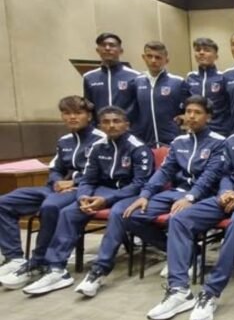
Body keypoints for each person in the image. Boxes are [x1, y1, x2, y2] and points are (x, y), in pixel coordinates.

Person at [155, 89, 234, 320]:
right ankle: (179, 290)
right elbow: (225, 174)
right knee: (180, 218)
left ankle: (211, 292)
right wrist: (225, 192)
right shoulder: (232, 140)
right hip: (228, 194)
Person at [8, 106, 152, 294]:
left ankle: (99, 270)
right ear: (100, 126)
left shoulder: (138, 148)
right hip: (101, 190)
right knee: (69, 212)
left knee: (117, 213)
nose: (111, 125)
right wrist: (83, 196)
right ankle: (57, 269)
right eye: (106, 122)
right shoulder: (97, 147)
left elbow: (140, 184)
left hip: (128, 193)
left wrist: (106, 200)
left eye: (116, 121)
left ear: (127, 124)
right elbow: (88, 179)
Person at [120, 97, 226, 320]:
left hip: (204, 195)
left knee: (178, 217)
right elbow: (164, 171)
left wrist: (191, 197)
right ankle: (191, 253)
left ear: (208, 117)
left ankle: (179, 289)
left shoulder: (218, 142)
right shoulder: (179, 142)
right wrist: (145, 195)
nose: (191, 116)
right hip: (175, 192)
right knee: (132, 216)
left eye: (197, 112)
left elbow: (211, 175)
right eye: (188, 111)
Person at [0, 96, 105, 285]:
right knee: (4, 203)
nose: (72, 117)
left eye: (78, 113)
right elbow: (55, 169)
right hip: (55, 189)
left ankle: (39, 261)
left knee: (51, 206)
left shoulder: (102, 139)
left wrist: (72, 182)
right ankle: (14, 257)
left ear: (89, 116)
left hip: (83, 189)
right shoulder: (64, 141)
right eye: (67, 113)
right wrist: (57, 181)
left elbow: (105, 172)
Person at [132, 41, 189, 146]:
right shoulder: (136, 82)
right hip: (145, 142)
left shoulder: (178, 82)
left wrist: (183, 117)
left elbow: (188, 110)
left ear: (166, 60)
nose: (153, 60)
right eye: (149, 56)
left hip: (172, 141)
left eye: (158, 57)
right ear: (144, 57)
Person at [82, 32, 139, 123]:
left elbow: (139, 106)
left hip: (128, 128)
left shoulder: (135, 76)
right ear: (97, 50)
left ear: (121, 51)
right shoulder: (89, 77)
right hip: (101, 128)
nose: (107, 48)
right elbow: (89, 107)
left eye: (112, 45)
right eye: (103, 45)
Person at [185, 37, 229, 136]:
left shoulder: (223, 77)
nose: (201, 53)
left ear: (216, 56)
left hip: (219, 130)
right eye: (198, 50)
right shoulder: (190, 77)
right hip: (195, 130)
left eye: (207, 50)